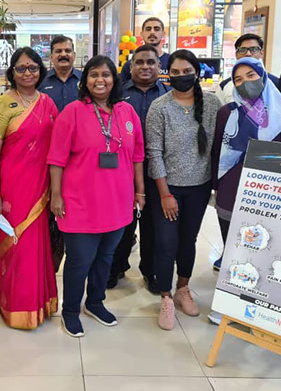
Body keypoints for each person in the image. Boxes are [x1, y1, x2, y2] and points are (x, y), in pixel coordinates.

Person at [48, 55, 146, 338]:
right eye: (93, 74)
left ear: (114, 79)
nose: (100, 80)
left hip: (118, 201)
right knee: (79, 260)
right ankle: (70, 310)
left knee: (106, 257)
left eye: (105, 74)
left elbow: (137, 156)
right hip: (79, 202)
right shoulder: (72, 112)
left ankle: (95, 302)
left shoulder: (127, 112)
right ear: (85, 80)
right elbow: (56, 159)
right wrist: (56, 195)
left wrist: (139, 190)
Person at [209, 57, 281, 324]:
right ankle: (231, 304)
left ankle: (258, 305)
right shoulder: (227, 113)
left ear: (263, 77)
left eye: (251, 75)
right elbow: (217, 151)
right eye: (238, 79)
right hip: (230, 190)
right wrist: (215, 186)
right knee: (234, 250)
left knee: (262, 250)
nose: (245, 82)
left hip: (267, 195)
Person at [0, 47, 59, 329]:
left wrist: (57, 188)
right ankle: (15, 306)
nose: (27, 73)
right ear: (12, 72)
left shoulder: (48, 103)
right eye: (21, 68)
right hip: (12, 189)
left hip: (41, 188)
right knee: (16, 246)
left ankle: (38, 304)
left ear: (40, 71)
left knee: (38, 247)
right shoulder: (2, 104)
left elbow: (57, 148)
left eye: (33, 68)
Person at [146, 50, 220, 328]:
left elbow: (218, 146)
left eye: (186, 71)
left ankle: (182, 288)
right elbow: (154, 152)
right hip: (167, 188)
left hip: (199, 188)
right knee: (166, 243)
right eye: (175, 72)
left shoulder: (212, 104)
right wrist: (165, 194)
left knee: (189, 240)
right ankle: (165, 296)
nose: (181, 76)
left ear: (196, 72)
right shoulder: (160, 107)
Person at [108, 45, 169, 293]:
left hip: (157, 171)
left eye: (151, 62)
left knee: (153, 225)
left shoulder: (168, 94)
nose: (145, 67)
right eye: (139, 62)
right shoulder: (117, 94)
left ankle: (150, 270)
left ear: (159, 66)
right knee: (121, 223)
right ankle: (116, 267)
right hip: (122, 170)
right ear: (130, 66)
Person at [39, 35, 81, 271]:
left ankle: (75, 255)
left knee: (75, 210)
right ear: (51, 56)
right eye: (58, 51)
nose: (63, 54)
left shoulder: (86, 81)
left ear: (74, 54)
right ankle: (49, 260)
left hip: (80, 160)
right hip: (46, 158)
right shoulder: (40, 82)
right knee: (48, 210)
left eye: (67, 50)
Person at [216, 34, 279, 105]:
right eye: (243, 50)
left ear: (261, 53)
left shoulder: (276, 83)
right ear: (236, 54)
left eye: (254, 49)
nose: (248, 54)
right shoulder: (224, 86)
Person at [120, 17, 170, 85]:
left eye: (156, 29)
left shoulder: (171, 62)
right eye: (148, 29)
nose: (152, 32)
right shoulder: (129, 65)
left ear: (163, 34)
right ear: (141, 34)